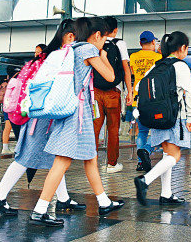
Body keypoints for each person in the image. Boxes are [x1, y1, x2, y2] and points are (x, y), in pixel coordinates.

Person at [29, 17, 124, 227]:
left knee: (90, 157)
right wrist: (104, 55)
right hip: (76, 114)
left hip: (75, 110)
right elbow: (110, 77)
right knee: (62, 162)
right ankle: (40, 209)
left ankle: (103, 201)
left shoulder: (72, 48)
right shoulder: (88, 50)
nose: (104, 44)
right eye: (104, 39)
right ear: (97, 35)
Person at [0, 19, 84, 216]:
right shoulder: (58, 56)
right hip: (42, 116)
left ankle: (63, 199)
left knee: (56, 157)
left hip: (39, 113)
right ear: (70, 37)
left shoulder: (46, 56)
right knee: (26, 157)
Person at [134, 31, 191, 205]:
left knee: (167, 155)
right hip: (175, 117)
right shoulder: (181, 66)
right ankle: (145, 180)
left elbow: (139, 85)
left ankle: (166, 194)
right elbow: (189, 94)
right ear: (183, 48)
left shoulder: (157, 65)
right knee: (174, 156)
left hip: (157, 117)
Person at [92, 16, 132, 174]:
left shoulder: (96, 42)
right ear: (115, 30)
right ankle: (111, 164)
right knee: (113, 129)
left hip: (95, 92)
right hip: (113, 93)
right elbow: (126, 68)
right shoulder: (119, 43)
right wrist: (129, 91)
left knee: (95, 128)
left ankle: (91, 162)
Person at [128, 30, 162, 172]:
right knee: (158, 131)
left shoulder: (133, 56)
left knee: (141, 132)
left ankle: (141, 162)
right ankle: (147, 150)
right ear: (153, 42)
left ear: (140, 43)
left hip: (138, 101)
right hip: (153, 101)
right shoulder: (158, 57)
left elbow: (132, 74)